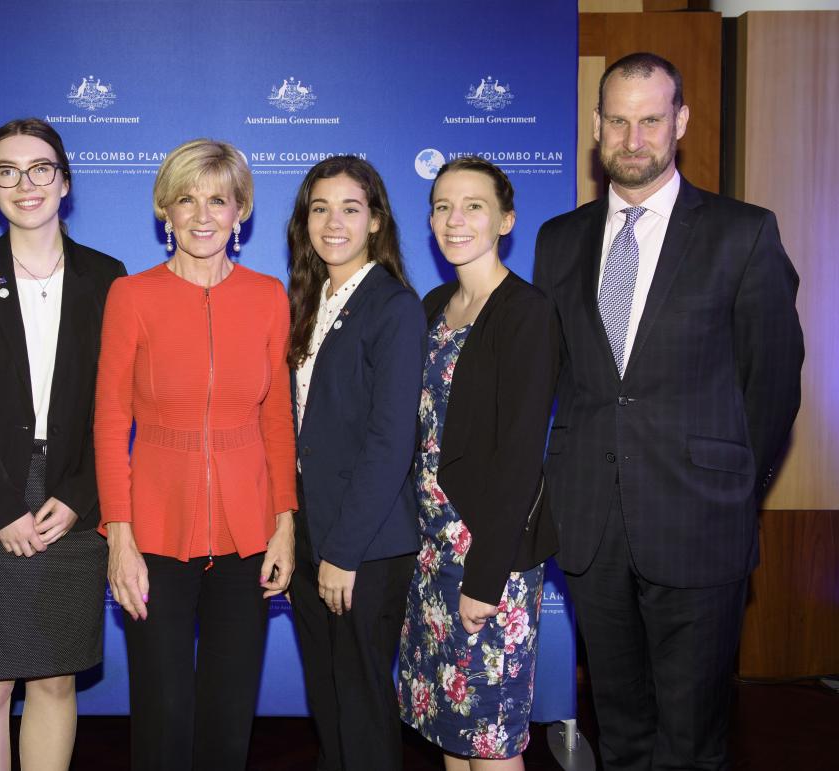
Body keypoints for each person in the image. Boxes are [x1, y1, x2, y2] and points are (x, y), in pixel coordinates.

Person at [533, 52, 803, 770]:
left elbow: (773, 383)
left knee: (691, 740)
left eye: (651, 119)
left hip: (700, 523)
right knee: (621, 730)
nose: (633, 137)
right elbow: (557, 378)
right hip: (592, 527)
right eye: (618, 120)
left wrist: (733, 484)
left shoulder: (742, 233)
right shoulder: (557, 241)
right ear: (595, 127)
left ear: (679, 122)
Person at [94, 138, 297, 771]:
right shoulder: (132, 295)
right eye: (187, 199)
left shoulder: (269, 297)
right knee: (163, 711)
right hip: (156, 529)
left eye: (219, 200)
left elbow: (277, 416)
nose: (202, 215)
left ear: (241, 213)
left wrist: (285, 526)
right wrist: (119, 538)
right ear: (165, 212)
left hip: (248, 533)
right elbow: (109, 420)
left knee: (229, 711)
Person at [0, 118, 125, 770]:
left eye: (40, 167)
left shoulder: (108, 277)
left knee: (54, 677)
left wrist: (78, 496)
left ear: (64, 182)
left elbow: (118, 405)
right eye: (6, 171)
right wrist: (3, 509)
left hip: (72, 498)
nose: (25, 182)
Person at [398, 156, 559, 769]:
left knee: (491, 741)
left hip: (489, 554)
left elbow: (521, 457)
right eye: (442, 206)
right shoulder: (435, 304)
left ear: (505, 220)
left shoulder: (526, 311)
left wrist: (486, 579)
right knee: (451, 730)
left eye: (473, 206)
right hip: (430, 550)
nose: (454, 219)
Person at [284, 156, 424, 771]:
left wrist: (343, 554)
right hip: (312, 533)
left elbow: (390, 442)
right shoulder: (309, 300)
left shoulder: (392, 307)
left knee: (363, 702)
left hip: (363, 544)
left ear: (375, 222)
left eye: (350, 208)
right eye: (320, 208)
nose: (333, 222)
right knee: (329, 696)